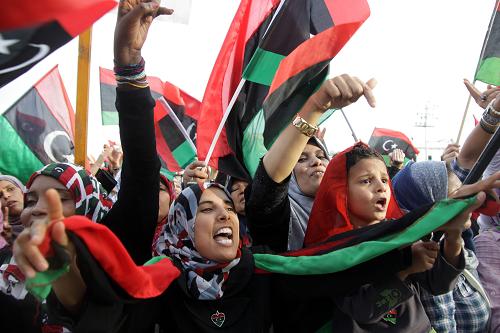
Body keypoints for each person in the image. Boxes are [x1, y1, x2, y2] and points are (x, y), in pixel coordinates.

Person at [304, 142, 483, 332]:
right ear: (341, 192)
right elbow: (363, 309)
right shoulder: (339, 249)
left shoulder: (401, 233)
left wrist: (453, 236)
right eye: (366, 181)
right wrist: (405, 268)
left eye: (384, 180)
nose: (381, 187)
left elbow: (438, 284)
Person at [246, 76, 376, 252]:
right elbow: (270, 180)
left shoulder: (356, 211)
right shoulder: (275, 216)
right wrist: (316, 106)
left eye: (322, 156)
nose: (316, 162)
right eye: (301, 159)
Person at [392, 160, 493, 333]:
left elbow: (469, 159)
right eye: (455, 196)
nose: (466, 201)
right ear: (430, 203)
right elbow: (443, 324)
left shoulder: (451, 240)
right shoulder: (425, 259)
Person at [0, 175, 26, 242]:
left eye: (10, 189)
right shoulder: (3, 234)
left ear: (22, 190)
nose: (6, 196)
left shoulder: (47, 214)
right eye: (0, 195)